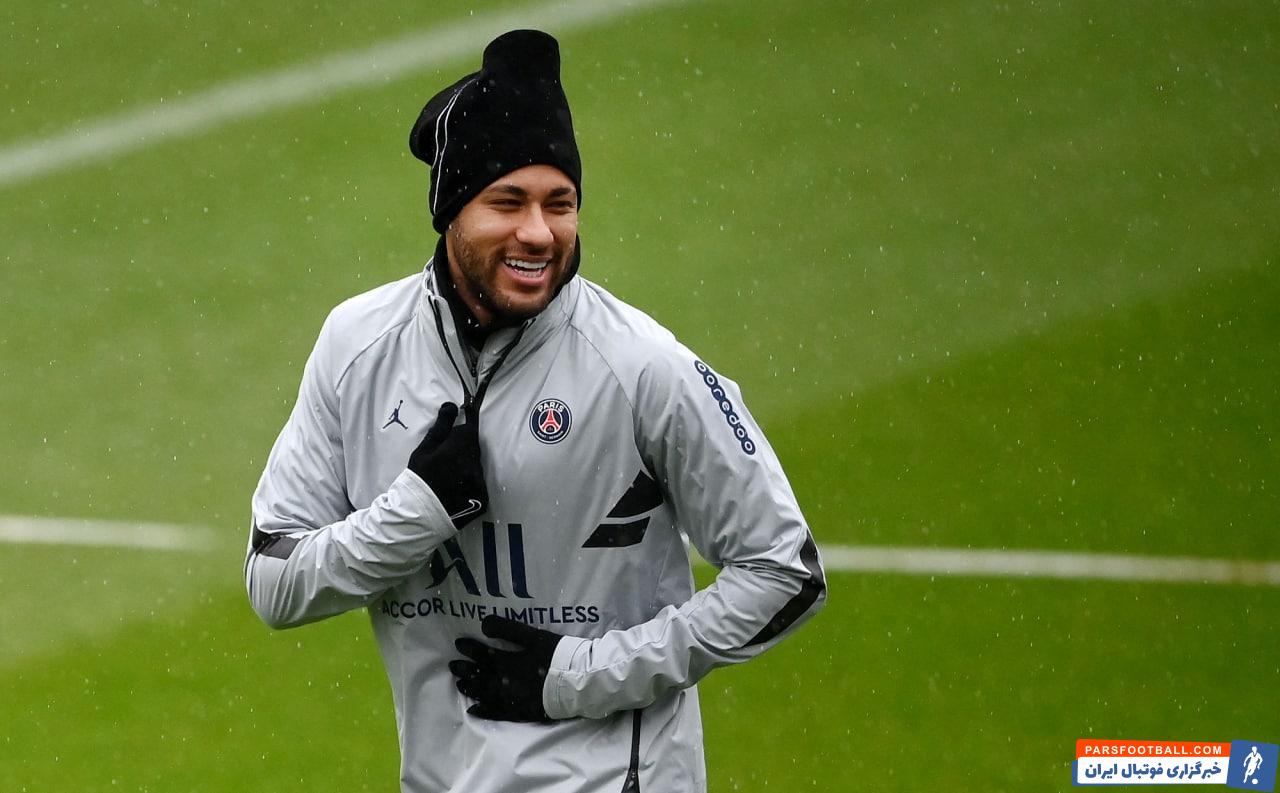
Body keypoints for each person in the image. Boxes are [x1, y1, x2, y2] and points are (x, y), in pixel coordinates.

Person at [245, 29, 826, 793]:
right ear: (450, 209)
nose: (539, 232)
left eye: (561, 203)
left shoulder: (640, 367)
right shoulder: (358, 347)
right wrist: (416, 511)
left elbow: (785, 572)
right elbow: (275, 582)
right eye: (507, 201)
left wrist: (578, 676)